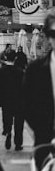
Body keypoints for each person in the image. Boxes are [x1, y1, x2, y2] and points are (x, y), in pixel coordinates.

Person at [24, 11, 55, 148]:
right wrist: (43, 131)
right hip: (46, 141)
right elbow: (27, 104)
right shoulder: (35, 69)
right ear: (48, 37)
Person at [0, 54, 25, 151]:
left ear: (6, 59)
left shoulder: (1, 71)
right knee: (18, 122)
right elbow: (24, 87)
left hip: (5, 100)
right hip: (19, 100)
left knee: (7, 119)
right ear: (15, 58)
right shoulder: (20, 71)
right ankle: (18, 143)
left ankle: (8, 132)